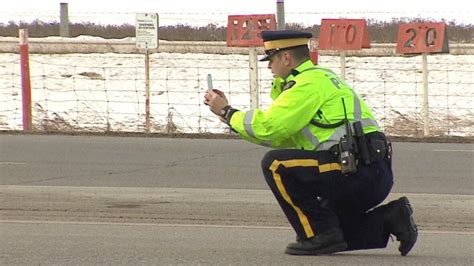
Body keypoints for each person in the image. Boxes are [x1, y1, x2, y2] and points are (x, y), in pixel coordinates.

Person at [204, 30, 418, 256]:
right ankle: (391, 219)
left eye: (271, 59)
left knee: (276, 165)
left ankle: (320, 236)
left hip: (354, 170)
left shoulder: (307, 84)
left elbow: (269, 126)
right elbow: (278, 137)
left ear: (286, 58)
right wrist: (228, 117)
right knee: (326, 227)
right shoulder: (321, 77)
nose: (269, 67)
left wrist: (228, 112)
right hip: (368, 171)